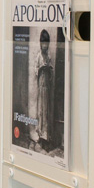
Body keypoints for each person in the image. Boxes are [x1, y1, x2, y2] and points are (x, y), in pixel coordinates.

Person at [35, 27, 59, 156]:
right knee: (41, 111)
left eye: (47, 43)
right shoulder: (39, 56)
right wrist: (41, 69)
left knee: (47, 111)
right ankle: (40, 136)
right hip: (41, 88)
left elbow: (52, 71)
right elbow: (36, 71)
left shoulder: (48, 56)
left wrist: (49, 68)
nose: (45, 46)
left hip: (47, 88)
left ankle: (46, 137)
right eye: (43, 43)